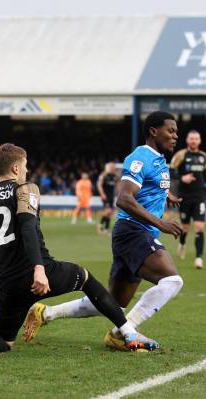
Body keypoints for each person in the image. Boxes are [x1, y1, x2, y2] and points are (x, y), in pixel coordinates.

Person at [0, 143, 159, 356]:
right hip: (39, 274)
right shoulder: (25, 188)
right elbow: (27, 226)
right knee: (86, 279)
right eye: (24, 165)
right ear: (15, 168)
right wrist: (39, 269)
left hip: (9, 284)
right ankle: (129, 334)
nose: (27, 170)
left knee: (4, 341)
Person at [23, 111, 184, 351]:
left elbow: (148, 186)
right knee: (172, 281)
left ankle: (46, 313)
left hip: (133, 234)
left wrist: (165, 195)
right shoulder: (141, 156)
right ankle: (123, 332)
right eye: (170, 131)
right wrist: (161, 223)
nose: (175, 136)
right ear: (153, 131)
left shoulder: (160, 160)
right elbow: (124, 198)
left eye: (176, 132)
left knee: (114, 303)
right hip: (134, 232)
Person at [170, 130, 206, 269]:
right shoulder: (181, 155)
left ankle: (199, 258)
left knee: (200, 227)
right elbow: (171, 171)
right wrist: (182, 178)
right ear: (187, 140)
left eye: (196, 138)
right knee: (185, 228)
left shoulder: (203, 156)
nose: (194, 141)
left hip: (199, 196)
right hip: (184, 197)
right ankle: (182, 243)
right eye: (191, 138)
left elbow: (204, 173)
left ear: (199, 141)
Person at [96, 162, 119, 235]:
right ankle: (100, 225)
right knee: (108, 211)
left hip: (111, 196)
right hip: (105, 196)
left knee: (110, 213)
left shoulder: (115, 176)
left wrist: (119, 193)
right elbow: (99, 185)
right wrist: (102, 194)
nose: (113, 168)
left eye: (113, 167)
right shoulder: (104, 175)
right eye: (112, 167)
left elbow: (117, 185)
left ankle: (106, 228)